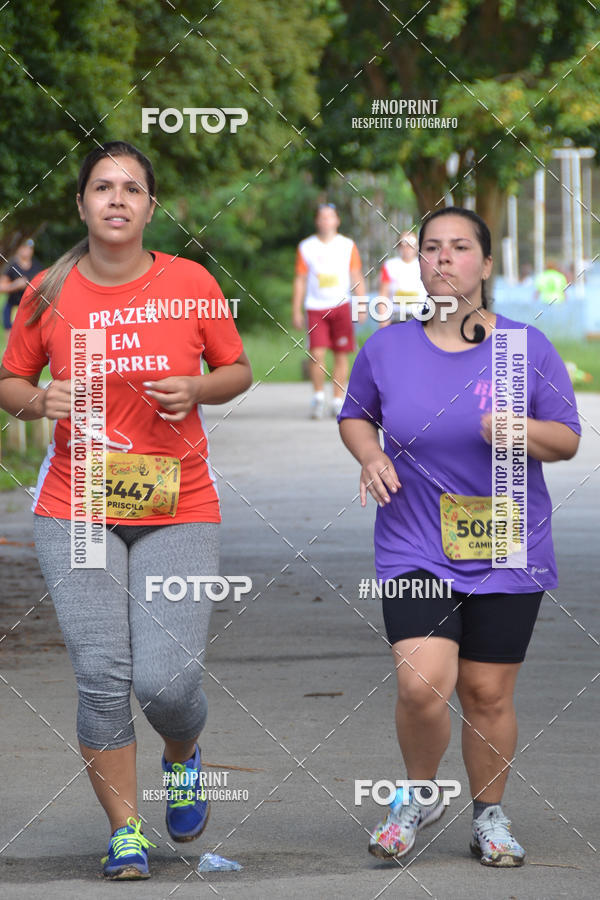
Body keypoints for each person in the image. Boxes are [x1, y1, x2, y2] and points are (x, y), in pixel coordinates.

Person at [0, 141, 252, 880]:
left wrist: (198, 390)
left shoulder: (191, 282)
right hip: (75, 504)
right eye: (101, 187)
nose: (116, 199)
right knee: (103, 674)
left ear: (150, 206)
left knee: (166, 684)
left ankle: (183, 757)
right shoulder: (47, 290)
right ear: (81, 205)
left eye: (131, 188)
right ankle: (125, 831)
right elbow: (11, 379)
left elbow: (235, 367)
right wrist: (39, 399)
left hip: (180, 504)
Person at [338, 207, 580, 867]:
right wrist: (369, 454)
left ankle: (489, 816)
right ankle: (416, 795)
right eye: (432, 249)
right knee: (421, 685)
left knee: (487, 692)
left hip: (506, 541)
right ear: (420, 264)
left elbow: (566, 437)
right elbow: (356, 415)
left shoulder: (523, 347)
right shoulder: (388, 345)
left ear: (486, 263)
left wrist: (518, 432)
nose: (444, 259)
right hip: (414, 540)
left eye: (460, 248)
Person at [292, 203, 365, 418]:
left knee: (341, 354)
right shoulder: (307, 247)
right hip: (315, 307)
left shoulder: (347, 245)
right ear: (317, 221)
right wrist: (296, 309)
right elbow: (300, 279)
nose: (326, 221)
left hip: (341, 305)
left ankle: (337, 400)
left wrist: (360, 305)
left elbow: (356, 275)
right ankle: (318, 398)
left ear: (337, 221)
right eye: (322, 218)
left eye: (330, 217)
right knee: (317, 354)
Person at [377, 230, 426, 328]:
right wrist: (383, 319)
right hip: (396, 317)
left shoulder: (425, 265)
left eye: (411, 243)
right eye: (403, 243)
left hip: (420, 317)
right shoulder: (390, 265)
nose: (407, 247)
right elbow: (383, 294)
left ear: (417, 246)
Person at [0, 238, 43, 330]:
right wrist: (14, 285)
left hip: (31, 309)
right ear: (19, 248)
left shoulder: (38, 267)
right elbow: (1, 287)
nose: (26, 250)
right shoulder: (11, 266)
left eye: (29, 248)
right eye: (24, 247)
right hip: (13, 308)